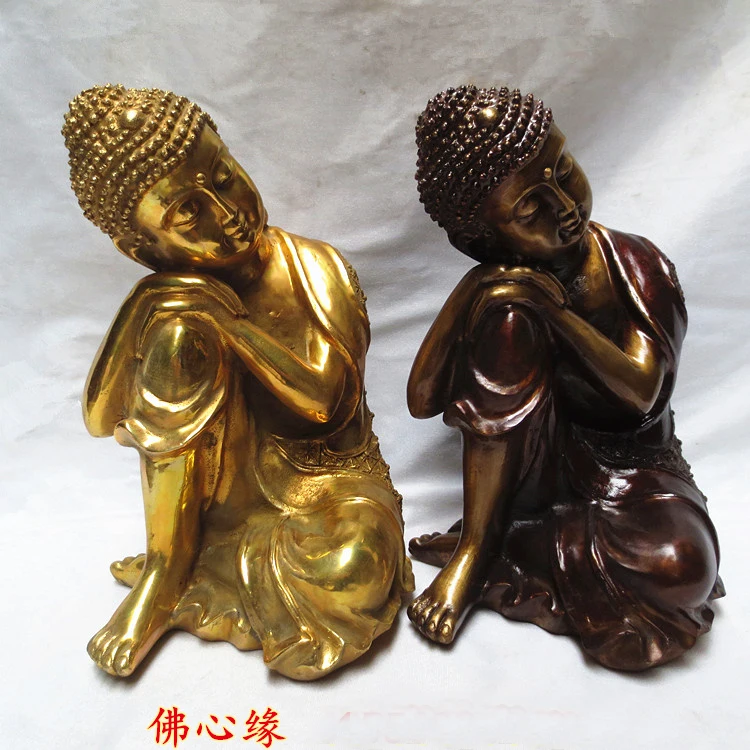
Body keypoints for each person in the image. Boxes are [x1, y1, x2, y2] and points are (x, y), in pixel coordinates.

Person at [63, 85, 413, 681]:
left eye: (224, 178)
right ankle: (167, 570)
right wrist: (143, 303)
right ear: (141, 249)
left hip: (329, 486)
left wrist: (231, 324)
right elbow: (98, 420)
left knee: (356, 569)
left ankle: (212, 574)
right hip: (216, 502)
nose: (226, 215)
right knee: (179, 336)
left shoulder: (315, 266)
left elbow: (329, 403)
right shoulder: (174, 307)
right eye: (187, 214)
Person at [406, 85, 723, 670]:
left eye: (563, 170)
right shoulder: (506, 297)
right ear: (482, 241)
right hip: (537, 470)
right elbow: (421, 399)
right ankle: (477, 548)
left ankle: (516, 542)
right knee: (508, 319)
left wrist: (554, 311)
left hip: (636, 470)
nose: (564, 206)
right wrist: (476, 287)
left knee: (681, 567)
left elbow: (641, 394)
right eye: (531, 209)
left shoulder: (636, 265)